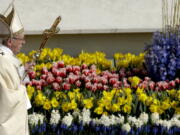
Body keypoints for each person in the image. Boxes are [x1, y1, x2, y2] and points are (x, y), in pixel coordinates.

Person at [0, 4, 32, 135]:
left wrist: (22, 70)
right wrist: (23, 88)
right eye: (21, 39)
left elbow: (11, 84)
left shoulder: (8, 58)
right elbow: (7, 97)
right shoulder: (5, 61)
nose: (23, 42)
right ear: (9, 42)